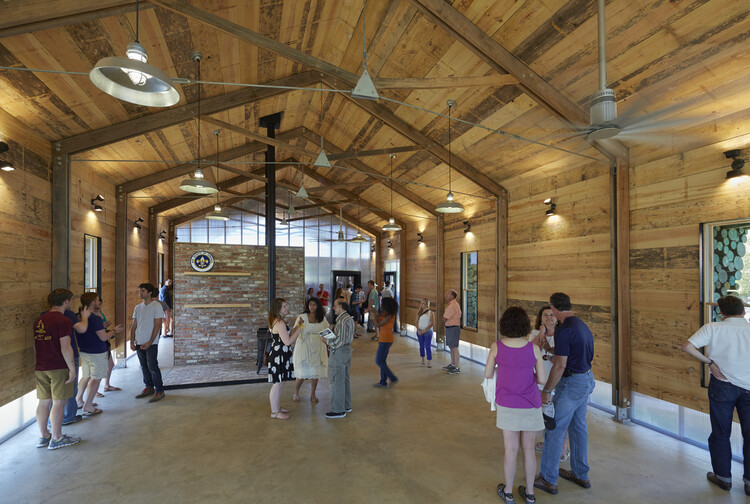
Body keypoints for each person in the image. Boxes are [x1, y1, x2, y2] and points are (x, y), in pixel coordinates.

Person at [683, 295, 750, 496]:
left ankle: (723, 478)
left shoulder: (712, 328)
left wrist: (709, 363)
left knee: (721, 433)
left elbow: (687, 347)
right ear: (743, 311)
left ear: (721, 313)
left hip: (722, 386)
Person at [534, 292, 595, 496]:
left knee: (554, 429)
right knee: (578, 428)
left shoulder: (564, 329)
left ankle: (548, 479)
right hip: (586, 379)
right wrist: (551, 349)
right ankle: (580, 473)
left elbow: (560, 365)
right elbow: (571, 354)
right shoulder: (580, 325)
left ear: (553, 308)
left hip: (571, 383)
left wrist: (547, 390)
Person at [485, 307, 546, 504]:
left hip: (507, 403)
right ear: (525, 325)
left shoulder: (497, 347)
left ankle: (508, 492)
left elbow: (487, 374)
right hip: (530, 403)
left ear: (504, 325)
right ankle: (530, 493)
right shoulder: (533, 349)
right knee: (529, 449)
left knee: (510, 449)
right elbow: (542, 379)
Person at [34, 289, 81, 450]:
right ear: (66, 301)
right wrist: (72, 368)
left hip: (41, 366)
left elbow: (36, 345)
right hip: (59, 366)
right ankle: (57, 437)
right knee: (59, 402)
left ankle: (44, 436)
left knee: (43, 402)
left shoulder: (39, 320)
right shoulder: (64, 321)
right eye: (70, 300)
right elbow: (65, 346)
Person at [530, 305, 570, 461]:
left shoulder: (562, 334)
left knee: (559, 415)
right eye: (545, 315)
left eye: (551, 315)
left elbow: (563, 359)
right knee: (544, 414)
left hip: (557, 380)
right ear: (540, 318)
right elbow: (531, 350)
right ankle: (547, 441)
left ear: (557, 318)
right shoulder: (535, 333)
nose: (548, 317)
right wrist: (541, 332)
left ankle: (563, 448)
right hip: (540, 380)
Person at [75, 292, 119, 416]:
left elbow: (88, 330)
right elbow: (103, 337)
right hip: (97, 352)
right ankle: (88, 405)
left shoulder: (78, 316)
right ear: (93, 302)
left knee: (86, 376)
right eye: (98, 300)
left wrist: (102, 326)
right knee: (96, 378)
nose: (99, 302)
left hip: (84, 351)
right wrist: (113, 331)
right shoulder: (95, 318)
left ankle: (78, 400)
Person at [130, 283, 166, 403]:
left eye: (143, 291)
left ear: (150, 292)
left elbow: (157, 325)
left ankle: (159, 390)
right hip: (139, 341)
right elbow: (134, 325)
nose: (140, 293)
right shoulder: (138, 308)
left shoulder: (156, 306)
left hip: (151, 342)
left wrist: (150, 341)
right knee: (144, 366)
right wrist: (132, 341)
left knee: (152, 366)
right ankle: (149, 387)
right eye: (140, 291)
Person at [267, 298, 301, 419]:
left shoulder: (277, 320)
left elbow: (286, 335)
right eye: (284, 306)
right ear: (278, 309)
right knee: (277, 384)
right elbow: (288, 341)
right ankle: (274, 412)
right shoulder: (280, 323)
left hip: (280, 355)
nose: (287, 308)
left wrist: (297, 326)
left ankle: (277, 407)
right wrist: (299, 331)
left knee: (281, 382)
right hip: (279, 356)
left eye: (286, 305)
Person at [292, 297, 329, 404]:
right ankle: (295, 392)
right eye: (310, 305)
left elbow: (327, 331)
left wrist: (329, 343)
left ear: (318, 306)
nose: (312, 307)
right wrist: (299, 324)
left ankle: (313, 394)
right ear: (308, 306)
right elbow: (293, 332)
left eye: (314, 305)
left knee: (315, 372)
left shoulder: (321, 318)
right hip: (304, 347)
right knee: (302, 373)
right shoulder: (302, 317)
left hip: (318, 347)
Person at [324, 297, 355, 419]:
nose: (333, 308)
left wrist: (326, 341)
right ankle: (346, 405)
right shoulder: (348, 319)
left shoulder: (342, 321)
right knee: (344, 380)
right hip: (346, 352)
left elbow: (339, 341)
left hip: (339, 353)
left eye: (335, 305)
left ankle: (338, 410)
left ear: (341, 306)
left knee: (336, 380)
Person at [93, 299, 123, 393]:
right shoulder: (92, 317)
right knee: (97, 369)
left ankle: (107, 385)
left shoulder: (101, 314)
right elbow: (95, 330)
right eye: (98, 304)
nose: (100, 306)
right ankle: (94, 390)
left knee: (110, 365)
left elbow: (103, 329)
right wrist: (112, 330)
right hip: (97, 343)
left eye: (100, 304)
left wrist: (108, 329)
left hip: (105, 342)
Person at [373, 297, 399, 388]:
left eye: (382, 303)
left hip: (386, 340)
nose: (381, 305)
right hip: (384, 339)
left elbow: (377, 325)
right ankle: (383, 382)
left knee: (379, 361)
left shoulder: (389, 316)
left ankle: (393, 378)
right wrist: (376, 314)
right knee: (382, 361)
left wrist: (374, 317)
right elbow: (380, 320)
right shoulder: (387, 315)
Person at [443, 289, 462, 374]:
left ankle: (456, 367)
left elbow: (445, 318)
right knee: (452, 347)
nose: (446, 295)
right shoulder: (453, 304)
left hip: (453, 328)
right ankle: (453, 364)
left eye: (447, 294)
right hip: (451, 328)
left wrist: (443, 320)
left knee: (454, 347)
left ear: (451, 296)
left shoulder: (452, 306)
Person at [416, 298, 435, 367]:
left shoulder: (431, 313)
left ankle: (429, 361)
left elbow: (432, 323)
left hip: (427, 332)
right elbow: (416, 322)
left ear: (427, 304)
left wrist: (425, 329)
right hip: (419, 330)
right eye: (421, 303)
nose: (421, 304)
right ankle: (422, 359)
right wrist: (418, 330)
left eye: (423, 303)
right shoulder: (419, 312)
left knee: (427, 346)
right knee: (421, 345)